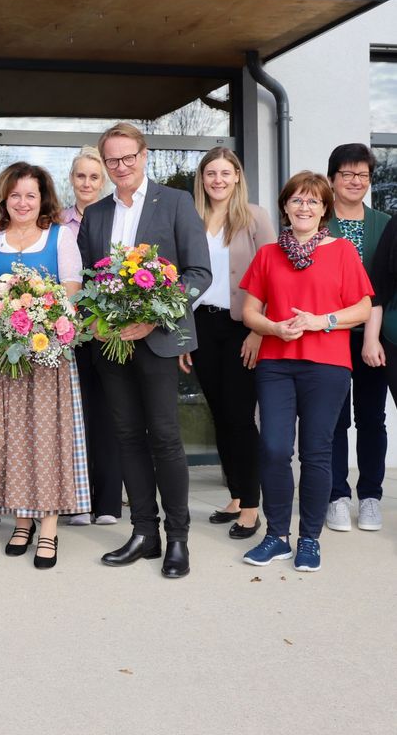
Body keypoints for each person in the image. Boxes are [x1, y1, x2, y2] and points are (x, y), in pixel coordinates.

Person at [77, 122, 211, 579]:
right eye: (112, 159)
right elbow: (89, 282)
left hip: (156, 340)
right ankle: (144, 533)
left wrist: (156, 316)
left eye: (128, 157)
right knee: (128, 437)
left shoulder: (175, 202)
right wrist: (96, 321)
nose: (121, 166)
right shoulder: (95, 215)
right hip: (111, 345)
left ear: (144, 154)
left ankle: (178, 539)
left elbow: (198, 273)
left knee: (166, 437)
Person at [240, 172, 373, 573]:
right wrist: (273, 328)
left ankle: (310, 539)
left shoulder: (343, 251)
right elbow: (248, 311)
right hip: (276, 364)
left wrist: (323, 321)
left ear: (324, 209)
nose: (304, 207)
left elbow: (363, 309)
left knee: (316, 453)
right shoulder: (267, 254)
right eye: (297, 200)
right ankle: (277, 536)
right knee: (275, 449)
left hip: (328, 366)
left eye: (313, 201)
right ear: (285, 206)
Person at [0, 162, 89, 569]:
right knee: (10, 439)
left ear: (43, 199)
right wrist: (2, 314)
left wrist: (39, 317)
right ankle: (22, 520)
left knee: (47, 440)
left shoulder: (61, 236)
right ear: (4, 197)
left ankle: (49, 528)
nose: (22, 202)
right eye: (15, 195)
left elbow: (71, 293)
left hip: (46, 355)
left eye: (30, 195)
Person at [179, 147, 275, 539]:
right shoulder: (192, 219)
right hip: (201, 327)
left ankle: (251, 506)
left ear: (237, 176)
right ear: (202, 179)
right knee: (219, 413)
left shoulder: (254, 217)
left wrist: (258, 329)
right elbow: (181, 280)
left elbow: (273, 273)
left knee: (239, 416)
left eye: (225, 172)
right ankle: (236, 496)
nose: (218, 180)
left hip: (241, 327)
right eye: (210, 173)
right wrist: (183, 336)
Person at [324, 144, 389, 533]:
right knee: (332, 420)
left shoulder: (384, 223)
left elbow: (384, 286)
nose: (355, 182)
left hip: (372, 338)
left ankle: (370, 497)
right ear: (332, 178)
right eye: (347, 174)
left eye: (362, 175)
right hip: (327, 335)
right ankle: (336, 496)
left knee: (371, 418)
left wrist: (373, 336)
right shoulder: (316, 219)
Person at [60, 146, 121, 528]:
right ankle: (77, 501)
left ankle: (109, 503)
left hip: (109, 329)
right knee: (72, 416)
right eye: (81, 176)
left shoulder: (117, 218)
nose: (87, 183)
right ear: (72, 180)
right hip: (69, 333)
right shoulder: (58, 223)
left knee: (109, 413)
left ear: (105, 180)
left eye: (94, 177)